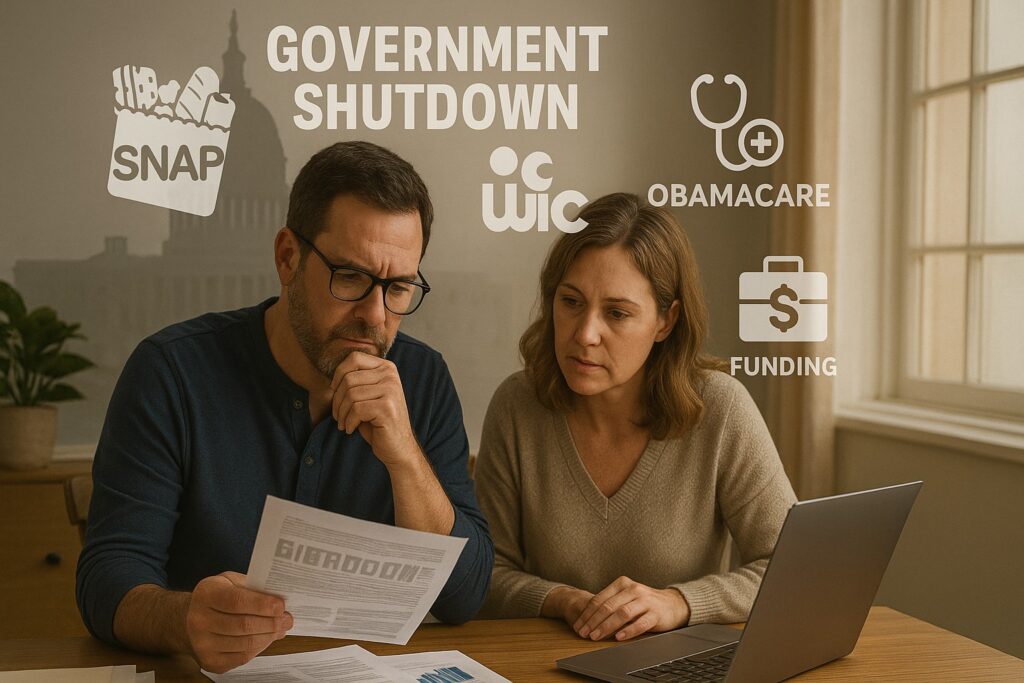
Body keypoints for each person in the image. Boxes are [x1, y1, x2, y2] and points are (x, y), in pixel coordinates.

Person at [76, 141, 493, 673]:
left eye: (399, 287)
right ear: (287, 258)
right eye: (351, 278)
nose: (374, 314)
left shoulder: (424, 378)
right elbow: (106, 579)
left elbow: (466, 596)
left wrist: (405, 459)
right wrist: (186, 620)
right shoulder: (170, 372)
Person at [474, 192, 796, 642]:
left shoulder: (721, 409)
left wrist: (678, 603)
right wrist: (561, 599)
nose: (585, 334)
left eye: (617, 313)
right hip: (542, 666)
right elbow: (483, 575)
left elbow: (791, 568)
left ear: (666, 321)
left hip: (674, 666)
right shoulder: (517, 406)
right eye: (570, 302)